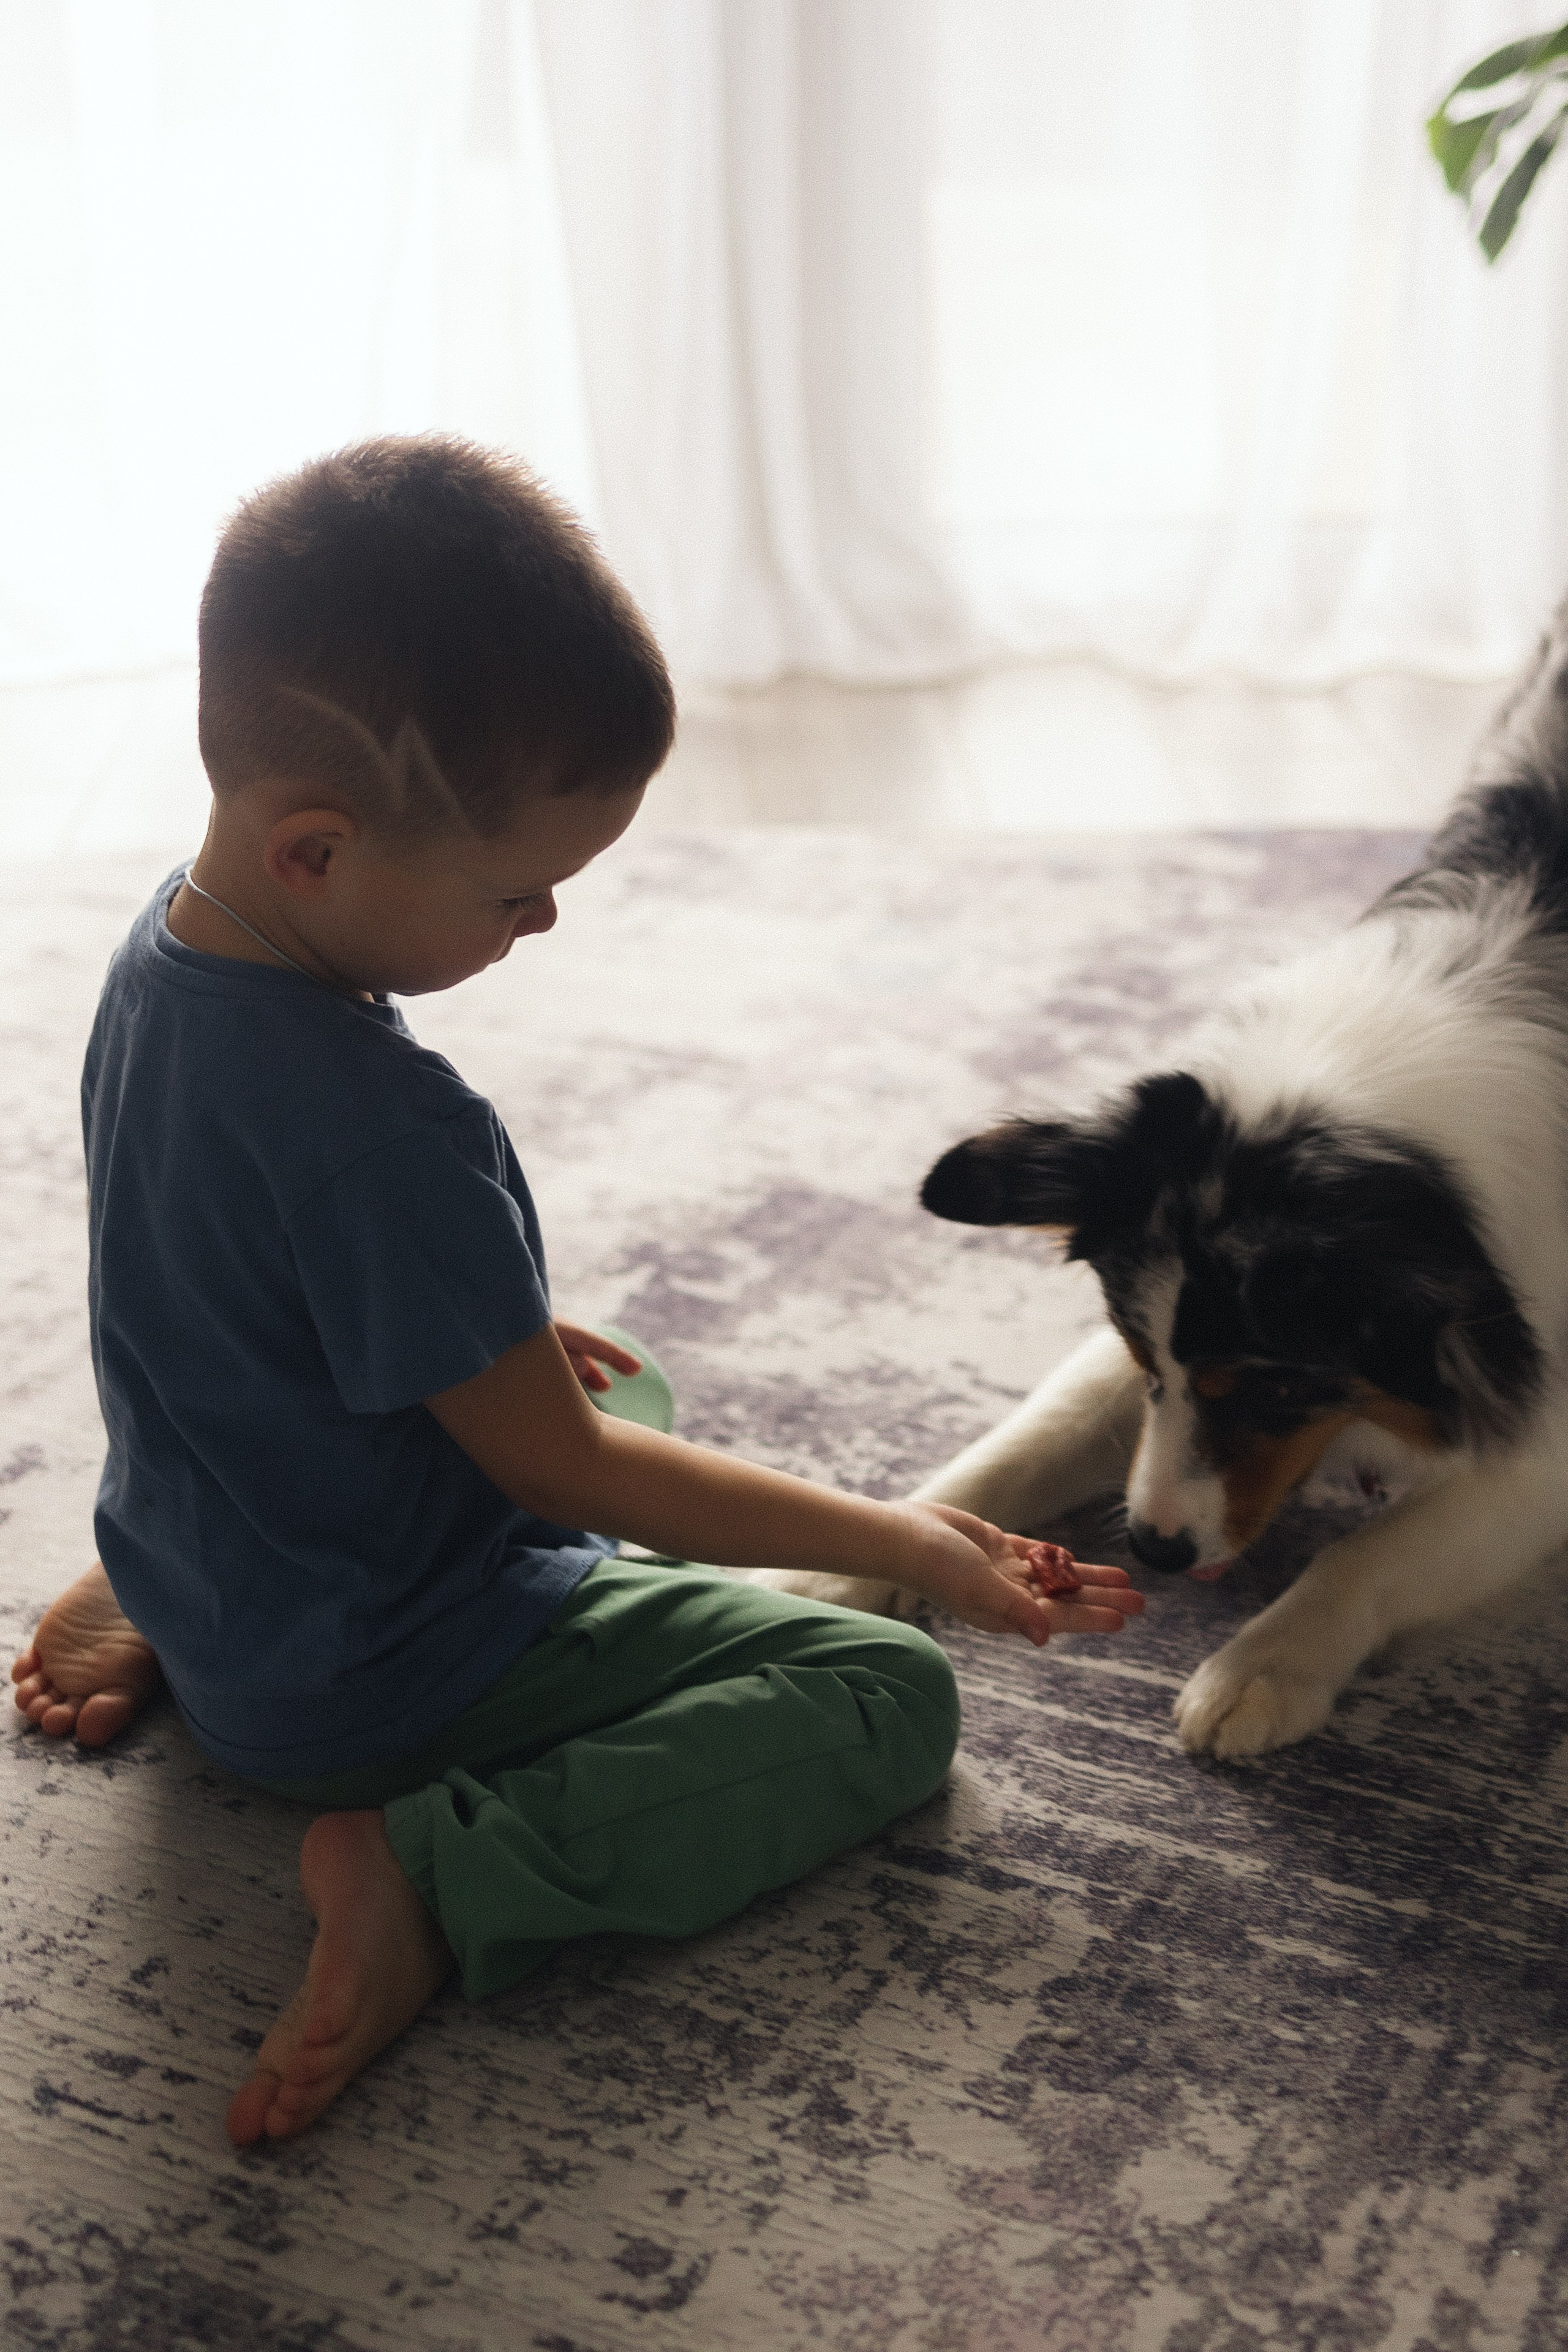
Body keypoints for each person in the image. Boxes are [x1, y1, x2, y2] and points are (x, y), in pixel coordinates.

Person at [10, 436, 1143, 2149]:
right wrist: (901, 1538)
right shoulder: (388, 1133)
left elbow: (213, 1256)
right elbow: (570, 1479)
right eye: (516, 887)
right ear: (317, 850)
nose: (543, 921)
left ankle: (179, 1575)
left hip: (246, 1554)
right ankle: (427, 1872)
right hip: (381, 1680)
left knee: (614, 1385)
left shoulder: (163, 954)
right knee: (876, 1691)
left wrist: (493, 1345)